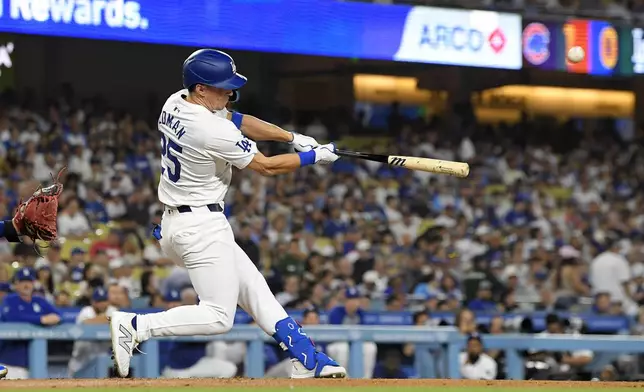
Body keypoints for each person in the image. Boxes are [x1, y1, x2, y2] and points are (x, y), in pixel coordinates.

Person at [109, 48, 345, 379]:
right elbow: (266, 166)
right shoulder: (209, 129)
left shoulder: (176, 101)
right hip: (200, 226)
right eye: (222, 86)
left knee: (254, 289)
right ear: (200, 88)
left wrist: (292, 137)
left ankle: (306, 358)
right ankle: (136, 324)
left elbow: (239, 119)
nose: (230, 92)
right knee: (219, 316)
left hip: (181, 222)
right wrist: (313, 157)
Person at [0, 267, 62, 379]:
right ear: (16, 284)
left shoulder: (39, 301)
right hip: (8, 362)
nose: (26, 285)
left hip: (34, 365)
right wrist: (40, 320)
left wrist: (51, 318)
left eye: (29, 281)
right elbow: (12, 317)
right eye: (22, 281)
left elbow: (58, 316)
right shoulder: (10, 300)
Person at [326, 287, 378, 378]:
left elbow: (365, 333)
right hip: (336, 343)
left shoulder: (361, 313)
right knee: (343, 348)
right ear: (345, 301)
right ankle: (343, 380)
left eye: (355, 299)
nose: (353, 302)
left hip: (355, 344)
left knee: (370, 347)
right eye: (350, 299)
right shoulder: (336, 312)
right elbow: (333, 333)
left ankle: (365, 380)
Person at [68, 287, 117, 377]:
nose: (102, 304)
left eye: (104, 300)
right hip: (81, 358)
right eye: (99, 301)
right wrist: (106, 319)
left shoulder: (112, 310)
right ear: (93, 302)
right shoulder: (86, 311)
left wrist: (100, 320)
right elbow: (86, 322)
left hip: (101, 359)